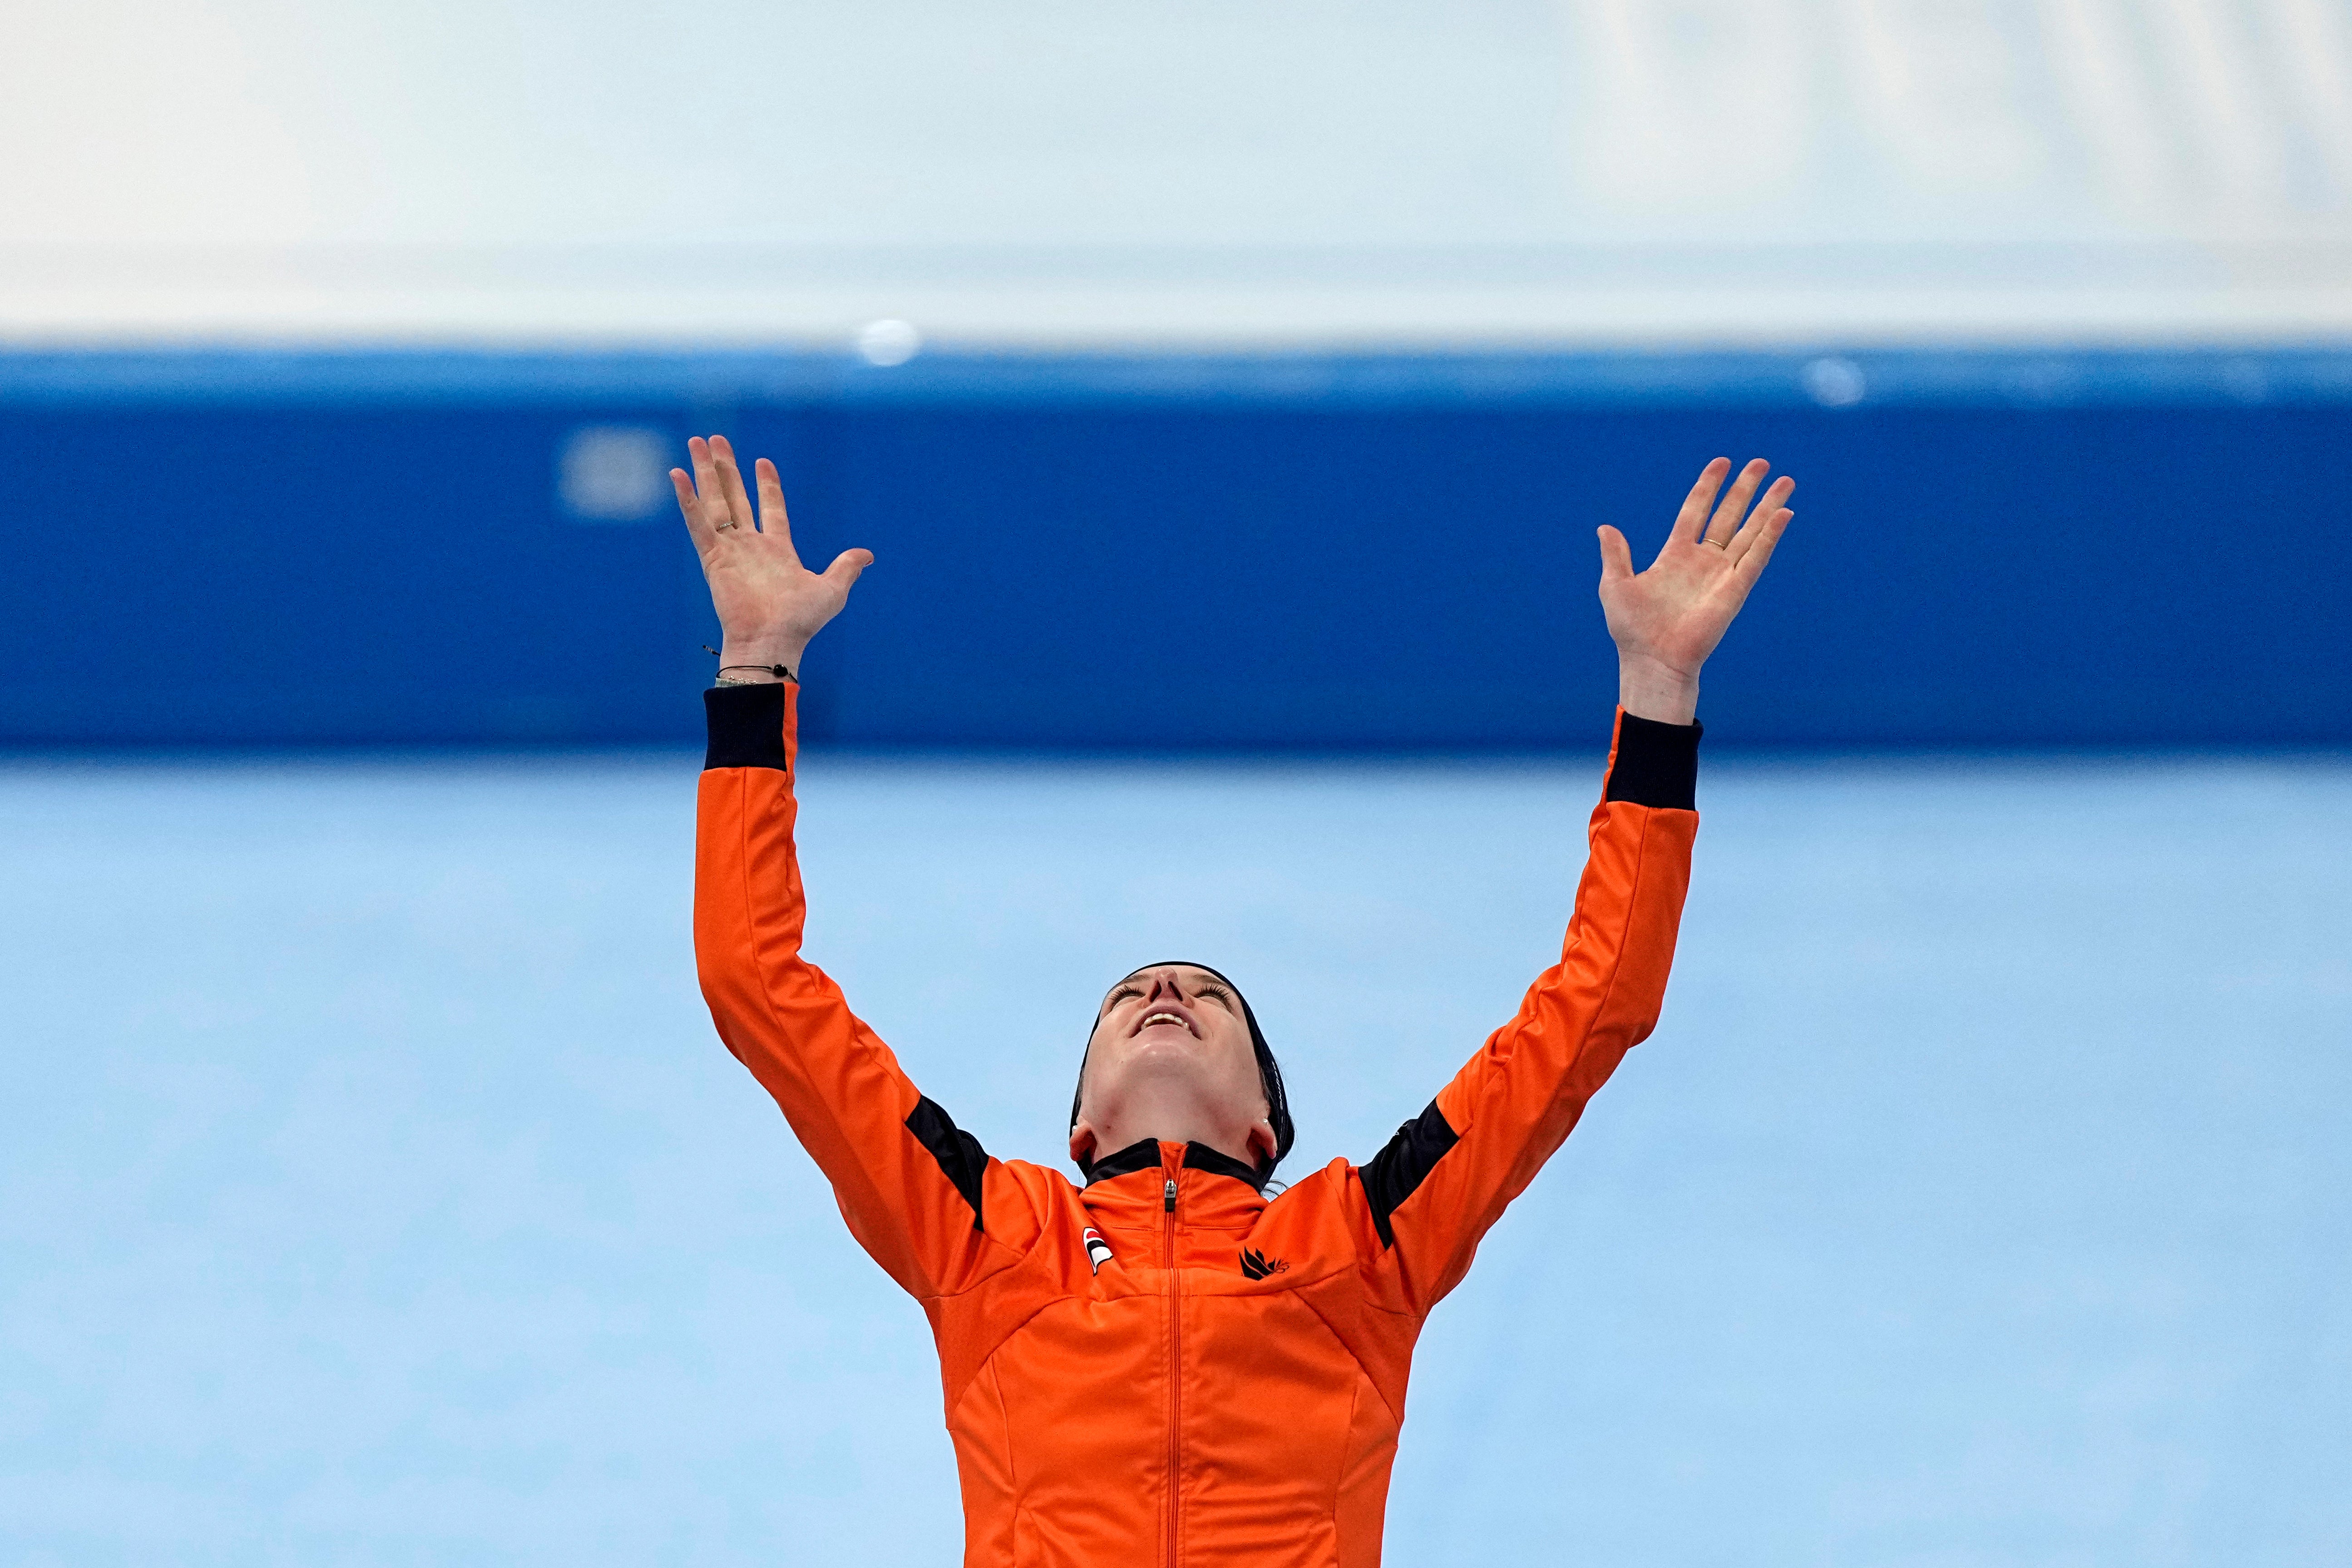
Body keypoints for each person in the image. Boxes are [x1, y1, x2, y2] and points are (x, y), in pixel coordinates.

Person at [673, 434, 1793, 1568]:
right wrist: (756, 661)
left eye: (1207, 995)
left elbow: (1596, 1003)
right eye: (1130, 997)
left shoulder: (1364, 1240)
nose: (1164, 987)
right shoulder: (989, 1232)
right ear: (1081, 1129)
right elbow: (754, 981)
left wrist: (1658, 694)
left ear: (1266, 1127)